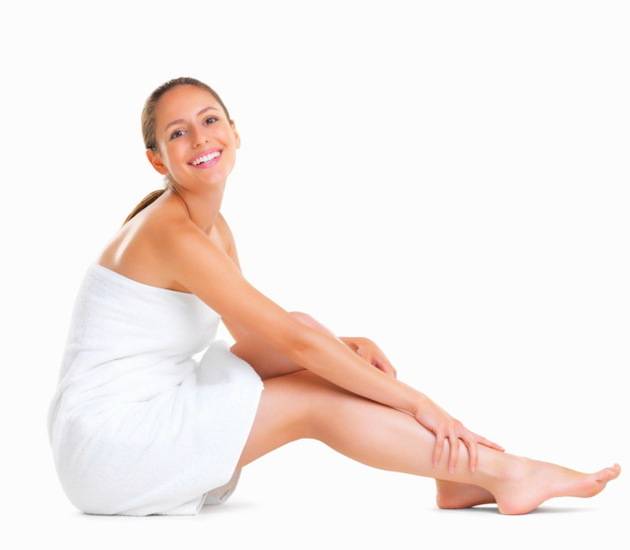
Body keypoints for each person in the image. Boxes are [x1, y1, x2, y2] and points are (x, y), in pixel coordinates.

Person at [47, 76, 621, 516]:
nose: (200, 139)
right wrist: (420, 403)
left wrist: (342, 346)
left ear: (235, 132)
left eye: (210, 120)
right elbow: (292, 346)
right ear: (157, 159)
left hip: (149, 407)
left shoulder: (213, 227)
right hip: (112, 446)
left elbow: (264, 339)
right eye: (178, 133)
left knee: (311, 336)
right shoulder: (171, 233)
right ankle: (505, 472)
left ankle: (458, 475)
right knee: (312, 399)